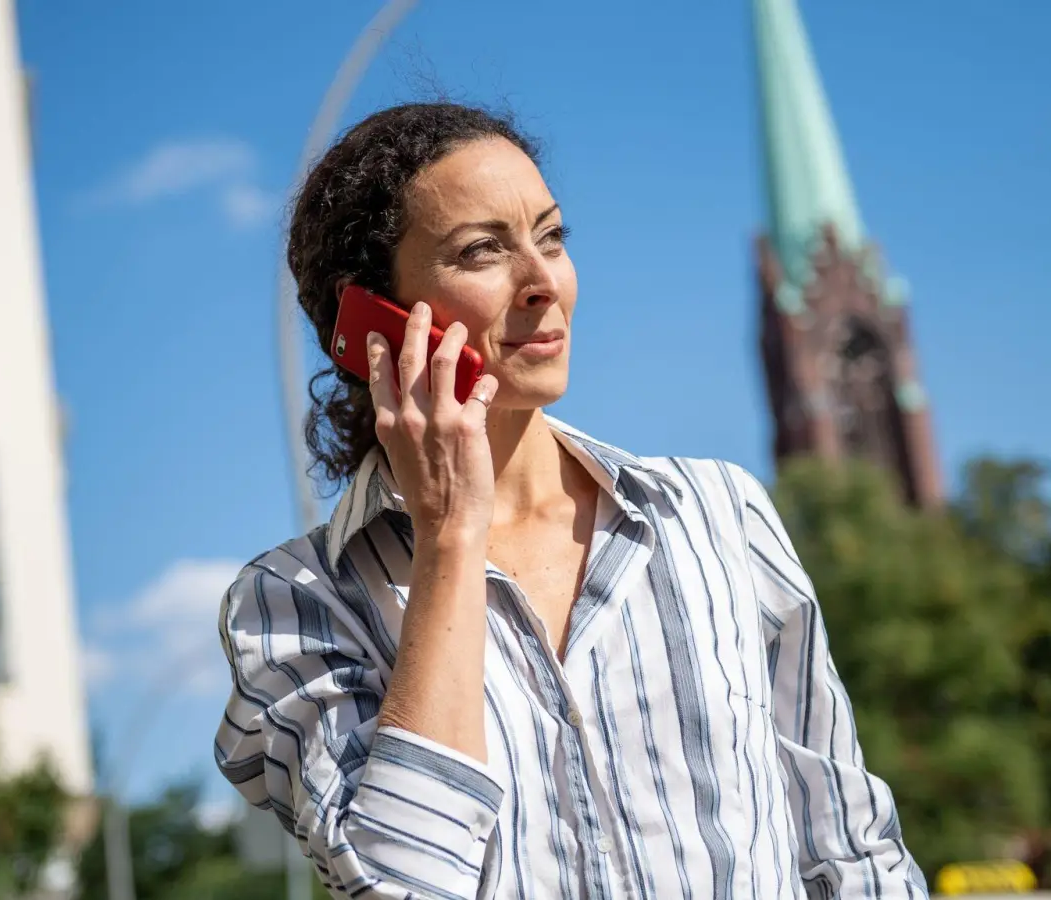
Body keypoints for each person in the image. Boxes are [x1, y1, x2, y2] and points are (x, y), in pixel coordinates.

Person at [213, 102, 927, 900]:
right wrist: (450, 537)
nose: (543, 281)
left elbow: (853, 854)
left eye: (551, 238)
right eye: (482, 250)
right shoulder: (292, 607)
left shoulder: (720, 516)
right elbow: (398, 883)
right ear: (369, 322)